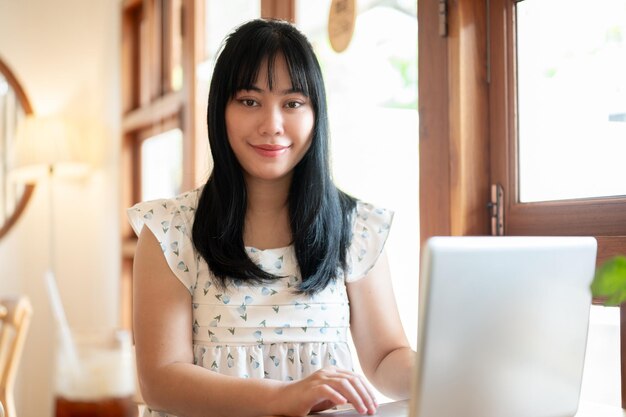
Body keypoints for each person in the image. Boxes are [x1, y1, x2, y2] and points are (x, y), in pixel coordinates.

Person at [128, 18, 414, 417]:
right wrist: (284, 397)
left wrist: (444, 372)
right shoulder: (170, 230)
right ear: (220, 111)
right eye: (249, 101)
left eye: (293, 103)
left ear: (316, 114)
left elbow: (385, 358)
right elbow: (161, 381)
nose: (272, 125)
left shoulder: (356, 228)